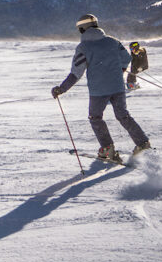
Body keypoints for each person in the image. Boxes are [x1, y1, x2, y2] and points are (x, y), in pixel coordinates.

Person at [51, 14, 152, 163]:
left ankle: (107, 149)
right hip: (117, 86)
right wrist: (120, 70)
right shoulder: (112, 41)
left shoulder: (83, 47)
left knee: (95, 117)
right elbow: (126, 59)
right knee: (123, 116)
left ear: (82, 29)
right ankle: (143, 144)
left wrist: (61, 89)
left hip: (98, 91)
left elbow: (76, 73)